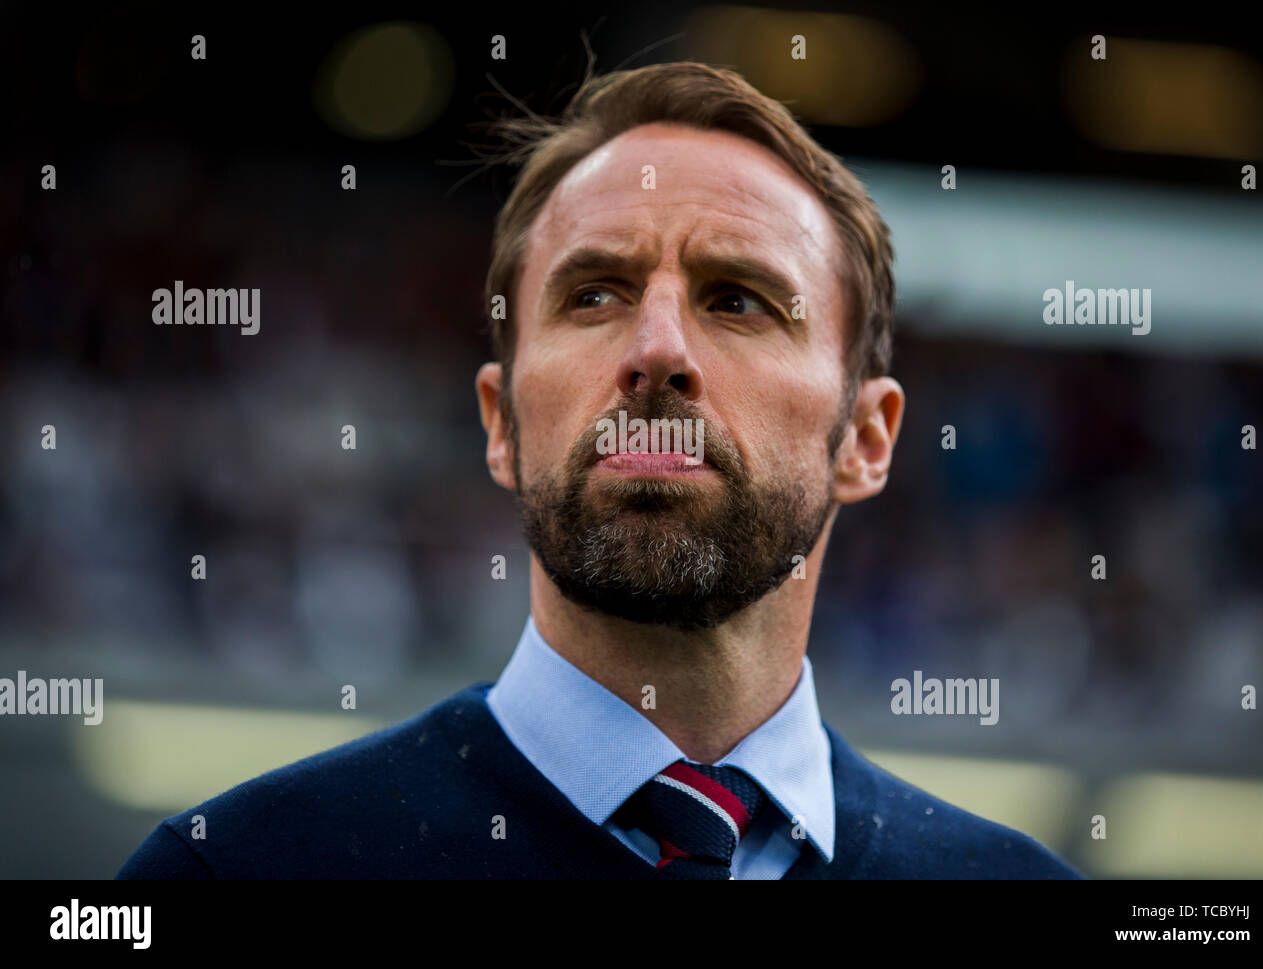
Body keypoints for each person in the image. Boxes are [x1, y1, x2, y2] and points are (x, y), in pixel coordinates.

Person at [118, 61, 1081, 879]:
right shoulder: (232, 874)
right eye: (594, 294)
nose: (658, 349)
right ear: (502, 425)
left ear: (866, 439)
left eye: (739, 300)